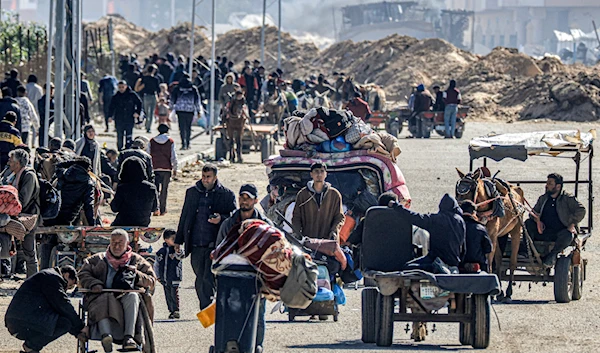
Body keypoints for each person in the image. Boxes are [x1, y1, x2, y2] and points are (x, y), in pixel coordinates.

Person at [78, 229, 156, 352]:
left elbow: (151, 281)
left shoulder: (137, 261)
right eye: (114, 242)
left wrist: (136, 275)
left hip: (125, 298)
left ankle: (128, 338)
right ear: (109, 243)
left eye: (120, 242)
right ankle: (106, 336)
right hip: (101, 296)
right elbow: (83, 274)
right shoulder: (97, 259)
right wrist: (94, 283)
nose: (117, 245)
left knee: (133, 297)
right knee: (103, 298)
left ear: (127, 244)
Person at [215, 183, 269, 352]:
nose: (244, 201)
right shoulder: (228, 224)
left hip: (256, 278)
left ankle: (255, 346)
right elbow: (219, 252)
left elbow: (272, 253)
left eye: (248, 198)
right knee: (228, 314)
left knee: (257, 315)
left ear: (255, 200)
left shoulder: (265, 225)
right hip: (230, 278)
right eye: (241, 197)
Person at [175, 163, 236, 310]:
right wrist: (179, 240)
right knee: (199, 276)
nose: (205, 180)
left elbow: (234, 217)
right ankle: (209, 305)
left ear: (215, 177)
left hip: (214, 244)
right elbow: (185, 217)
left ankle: (207, 308)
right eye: (203, 176)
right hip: (196, 243)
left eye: (208, 177)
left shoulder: (226, 194)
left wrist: (221, 218)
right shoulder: (192, 192)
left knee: (207, 277)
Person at [5, 265, 85, 353]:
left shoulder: (48, 275)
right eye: (68, 286)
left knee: (61, 320)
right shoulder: (52, 278)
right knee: (65, 323)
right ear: (66, 275)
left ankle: (32, 346)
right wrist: (80, 327)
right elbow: (63, 305)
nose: (65, 289)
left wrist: (77, 332)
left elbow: (60, 308)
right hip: (21, 321)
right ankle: (31, 346)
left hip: (19, 320)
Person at [525, 173, 586, 267]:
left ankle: (552, 255)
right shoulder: (543, 198)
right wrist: (537, 220)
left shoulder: (567, 198)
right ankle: (528, 252)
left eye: (550, 183)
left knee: (568, 235)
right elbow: (533, 213)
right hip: (544, 231)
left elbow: (581, 210)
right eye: (547, 183)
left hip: (560, 232)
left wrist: (572, 223)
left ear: (558, 186)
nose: (546, 185)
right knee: (528, 224)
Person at [393, 194, 465, 272]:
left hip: (435, 259)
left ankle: (434, 267)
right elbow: (463, 247)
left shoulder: (436, 219)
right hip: (453, 262)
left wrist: (396, 206)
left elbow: (414, 217)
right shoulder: (460, 221)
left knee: (407, 267)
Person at [292, 162, 345, 242]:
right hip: (308, 241)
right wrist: (297, 234)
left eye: (322, 171)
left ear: (326, 174)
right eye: (316, 171)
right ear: (311, 174)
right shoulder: (303, 194)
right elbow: (296, 217)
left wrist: (334, 231)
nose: (319, 174)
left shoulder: (334, 194)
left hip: (328, 242)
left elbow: (339, 217)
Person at [7, 149, 40, 277]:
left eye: (12, 161)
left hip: (29, 217)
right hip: (19, 216)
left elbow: (23, 200)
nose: (9, 163)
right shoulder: (14, 175)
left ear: (19, 163)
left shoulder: (29, 176)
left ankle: (33, 280)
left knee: (29, 250)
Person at [111, 156, 158, 227]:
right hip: (143, 224)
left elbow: (114, 208)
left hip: (123, 223)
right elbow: (154, 208)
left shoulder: (123, 187)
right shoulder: (151, 187)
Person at [147, 124, 178, 216]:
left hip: (155, 168)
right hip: (166, 169)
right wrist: (175, 168)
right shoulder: (170, 141)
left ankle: (155, 208)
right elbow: (173, 156)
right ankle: (163, 209)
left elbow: (148, 155)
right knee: (164, 190)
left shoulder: (152, 141)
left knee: (155, 189)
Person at [154, 229, 184, 319]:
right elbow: (157, 264)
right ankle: (171, 311)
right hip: (164, 277)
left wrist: (178, 250)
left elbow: (181, 256)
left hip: (174, 275)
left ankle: (176, 310)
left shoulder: (176, 250)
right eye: (173, 239)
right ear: (166, 240)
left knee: (174, 293)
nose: (175, 241)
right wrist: (157, 276)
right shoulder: (161, 252)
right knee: (168, 294)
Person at [108, 81, 143, 151]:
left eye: (122, 87)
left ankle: (128, 148)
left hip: (129, 118)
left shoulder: (132, 95)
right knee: (119, 135)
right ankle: (119, 149)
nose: (121, 89)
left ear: (126, 86)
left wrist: (137, 112)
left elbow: (139, 103)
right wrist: (110, 116)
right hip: (119, 118)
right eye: (120, 87)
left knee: (129, 135)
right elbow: (111, 107)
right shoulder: (116, 96)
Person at [459, 200, 492, 273]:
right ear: (474, 213)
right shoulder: (480, 228)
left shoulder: (456, 227)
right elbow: (489, 248)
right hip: (478, 266)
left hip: (459, 265)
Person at [171, 76, 201, 150]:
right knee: (188, 127)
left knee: (181, 127)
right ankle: (188, 143)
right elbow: (197, 100)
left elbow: (172, 99)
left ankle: (183, 143)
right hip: (190, 110)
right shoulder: (193, 88)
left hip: (180, 110)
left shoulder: (177, 88)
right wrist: (198, 110)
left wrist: (171, 108)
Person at [135, 65, 160, 133]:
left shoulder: (144, 78)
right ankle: (148, 127)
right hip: (153, 96)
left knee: (146, 111)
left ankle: (146, 125)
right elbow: (158, 89)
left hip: (146, 96)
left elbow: (140, 88)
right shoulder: (156, 79)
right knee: (151, 113)